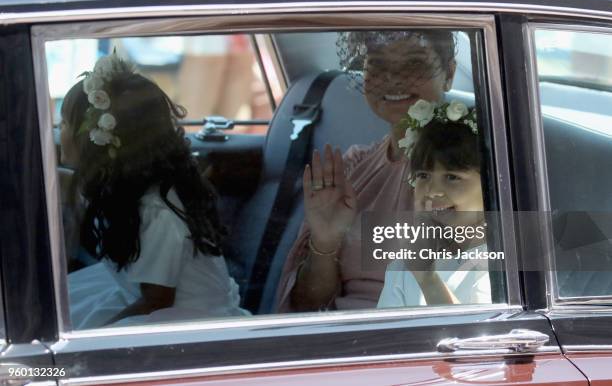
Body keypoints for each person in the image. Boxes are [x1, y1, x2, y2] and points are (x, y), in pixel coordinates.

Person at [61, 52, 248, 329]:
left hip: (182, 319)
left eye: (64, 124)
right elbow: (65, 185)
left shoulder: (156, 211)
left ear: (96, 142)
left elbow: (157, 302)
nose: (58, 132)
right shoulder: (121, 188)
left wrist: (96, 335)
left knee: (70, 329)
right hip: (140, 297)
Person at [276, 30, 458, 312]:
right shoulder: (352, 167)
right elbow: (305, 308)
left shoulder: (470, 174)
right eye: (378, 64)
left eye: (413, 64)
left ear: (449, 73)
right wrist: (325, 242)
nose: (394, 79)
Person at [377, 99, 491, 307]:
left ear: (490, 183)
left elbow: (479, 337)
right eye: (423, 176)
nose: (433, 191)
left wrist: (428, 280)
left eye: (452, 177)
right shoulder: (405, 266)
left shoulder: (506, 269)